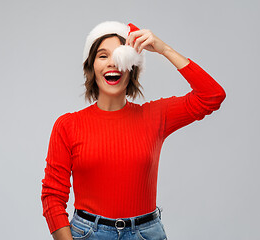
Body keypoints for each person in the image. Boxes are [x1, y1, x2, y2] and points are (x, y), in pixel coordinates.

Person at [41, 21, 226, 240]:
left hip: (146, 234)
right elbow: (53, 196)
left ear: (132, 67)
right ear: (91, 67)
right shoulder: (68, 125)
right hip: (88, 233)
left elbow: (212, 96)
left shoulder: (155, 116)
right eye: (103, 56)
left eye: (120, 55)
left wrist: (164, 49)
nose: (112, 63)